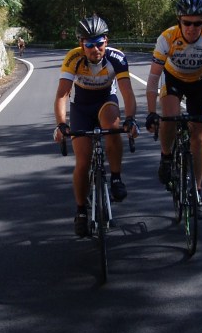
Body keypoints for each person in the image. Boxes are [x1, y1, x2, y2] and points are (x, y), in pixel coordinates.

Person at [144, 0, 202, 219]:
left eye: (197, 23)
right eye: (187, 23)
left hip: (199, 83)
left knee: (199, 137)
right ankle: (165, 157)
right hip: (172, 79)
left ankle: (197, 192)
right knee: (169, 117)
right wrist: (151, 112)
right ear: (179, 21)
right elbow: (153, 78)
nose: (192, 28)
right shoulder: (167, 38)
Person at [53, 15, 138, 237]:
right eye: (89, 44)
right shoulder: (73, 58)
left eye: (99, 43)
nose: (95, 49)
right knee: (82, 161)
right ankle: (81, 210)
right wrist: (61, 124)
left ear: (106, 41)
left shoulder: (117, 58)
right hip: (81, 106)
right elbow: (62, 95)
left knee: (113, 125)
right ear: (82, 44)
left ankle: (116, 176)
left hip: (105, 101)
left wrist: (130, 118)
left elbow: (127, 92)